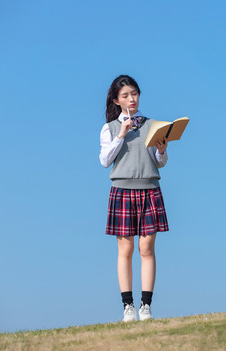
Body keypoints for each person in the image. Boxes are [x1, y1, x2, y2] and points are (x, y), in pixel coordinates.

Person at [99, 74, 169, 322]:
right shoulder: (110, 128)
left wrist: (162, 150)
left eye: (134, 94)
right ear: (117, 100)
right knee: (126, 249)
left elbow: (159, 161)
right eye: (126, 95)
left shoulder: (152, 125)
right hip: (123, 190)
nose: (131, 99)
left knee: (146, 248)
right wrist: (121, 135)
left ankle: (146, 306)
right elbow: (105, 160)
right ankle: (127, 306)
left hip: (150, 188)